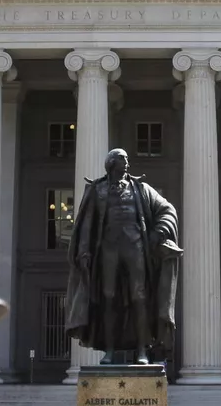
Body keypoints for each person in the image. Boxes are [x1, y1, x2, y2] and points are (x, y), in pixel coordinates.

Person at [65, 148, 180, 364]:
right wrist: (83, 251)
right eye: (122, 158)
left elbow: (167, 210)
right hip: (108, 249)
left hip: (135, 247)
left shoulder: (141, 189)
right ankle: (109, 351)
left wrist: (157, 234)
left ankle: (142, 351)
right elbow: (87, 223)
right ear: (111, 163)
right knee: (108, 298)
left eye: (127, 158)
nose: (127, 162)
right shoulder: (97, 190)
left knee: (139, 296)